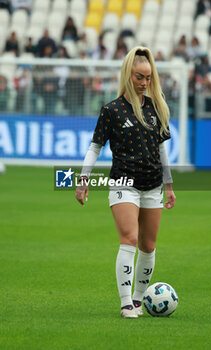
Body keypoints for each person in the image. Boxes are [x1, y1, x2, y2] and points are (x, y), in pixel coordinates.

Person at [75, 46, 176, 318]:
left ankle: (139, 299)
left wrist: (168, 185)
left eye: (148, 78)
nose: (144, 83)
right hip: (123, 183)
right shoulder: (112, 110)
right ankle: (125, 304)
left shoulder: (156, 109)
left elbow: (162, 149)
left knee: (149, 245)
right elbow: (95, 147)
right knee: (129, 239)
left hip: (153, 185)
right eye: (139, 77)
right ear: (127, 75)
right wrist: (83, 179)